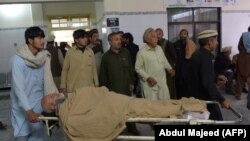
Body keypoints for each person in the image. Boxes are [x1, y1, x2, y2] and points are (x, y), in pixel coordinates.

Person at [41, 86, 207, 141]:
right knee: (152, 108)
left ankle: (187, 106)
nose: (54, 94)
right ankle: (186, 109)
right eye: (50, 96)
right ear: (51, 105)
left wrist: (102, 94)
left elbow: (93, 93)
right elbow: (85, 121)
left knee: (152, 105)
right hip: (119, 107)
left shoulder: (72, 97)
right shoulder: (68, 114)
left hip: (115, 100)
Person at [10, 26, 58, 140]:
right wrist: (29, 111)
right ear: (30, 40)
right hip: (22, 108)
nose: (43, 40)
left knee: (37, 137)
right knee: (22, 136)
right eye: (39, 38)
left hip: (37, 106)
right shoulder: (17, 60)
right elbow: (18, 89)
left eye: (43, 37)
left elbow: (45, 82)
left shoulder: (43, 57)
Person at [186, 30, 231, 120]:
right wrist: (222, 100)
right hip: (204, 98)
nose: (217, 43)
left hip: (197, 96)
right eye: (215, 40)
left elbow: (201, 74)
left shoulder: (198, 54)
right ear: (209, 42)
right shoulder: (205, 58)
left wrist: (216, 76)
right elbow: (207, 83)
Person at [99, 32, 138, 135]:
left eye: (120, 39)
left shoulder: (125, 52)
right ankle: (117, 130)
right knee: (115, 111)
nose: (119, 41)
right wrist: (104, 90)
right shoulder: (106, 57)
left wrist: (132, 82)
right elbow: (103, 75)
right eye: (116, 39)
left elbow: (131, 69)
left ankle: (132, 127)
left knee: (129, 109)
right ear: (110, 41)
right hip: (113, 90)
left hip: (126, 89)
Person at [135, 28, 175, 101]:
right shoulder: (141, 53)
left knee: (165, 105)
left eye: (157, 37)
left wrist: (169, 68)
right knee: (152, 109)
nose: (156, 39)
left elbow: (164, 60)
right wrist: (147, 77)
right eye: (153, 37)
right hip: (150, 86)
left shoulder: (159, 48)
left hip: (162, 83)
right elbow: (137, 68)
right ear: (147, 39)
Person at [60, 29, 99, 93]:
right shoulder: (70, 52)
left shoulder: (90, 51)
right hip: (74, 87)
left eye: (86, 37)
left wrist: (96, 84)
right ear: (76, 40)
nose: (86, 39)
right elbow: (65, 70)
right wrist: (63, 86)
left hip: (89, 86)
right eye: (83, 38)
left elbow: (94, 68)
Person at [174, 29, 197, 99]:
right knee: (179, 85)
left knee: (188, 85)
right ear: (179, 35)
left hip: (188, 67)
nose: (183, 35)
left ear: (187, 35)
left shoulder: (190, 44)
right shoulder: (175, 44)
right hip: (178, 68)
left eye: (185, 34)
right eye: (182, 34)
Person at [156, 28, 177, 99]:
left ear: (162, 34)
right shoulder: (155, 44)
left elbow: (174, 58)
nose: (158, 36)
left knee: (169, 88)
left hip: (168, 70)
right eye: (156, 34)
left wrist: (172, 69)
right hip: (159, 70)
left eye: (159, 34)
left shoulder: (168, 43)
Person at [122, 32, 140, 97]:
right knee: (135, 83)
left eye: (123, 38)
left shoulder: (123, 48)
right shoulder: (136, 46)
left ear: (127, 39)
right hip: (135, 67)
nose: (122, 40)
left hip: (128, 68)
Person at [235, 28, 250, 102]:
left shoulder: (243, 36)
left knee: (240, 79)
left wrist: (244, 51)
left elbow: (239, 47)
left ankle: (238, 95)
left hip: (243, 58)